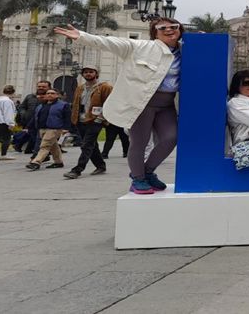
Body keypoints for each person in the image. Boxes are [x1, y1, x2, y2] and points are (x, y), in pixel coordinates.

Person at [55, 18, 183, 194]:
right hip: (141, 103)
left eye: (173, 27)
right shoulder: (140, 47)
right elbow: (109, 42)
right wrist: (81, 36)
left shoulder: (185, 50)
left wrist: (204, 41)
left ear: (180, 29)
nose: (169, 30)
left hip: (167, 104)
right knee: (140, 142)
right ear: (155, 32)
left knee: (171, 137)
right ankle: (138, 179)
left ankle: (147, 171)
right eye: (163, 28)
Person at [64, 66, 111, 179]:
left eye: (91, 72)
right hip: (81, 120)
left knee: (86, 145)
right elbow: (76, 103)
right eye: (85, 72)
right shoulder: (80, 88)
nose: (88, 74)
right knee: (91, 145)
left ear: (96, 74)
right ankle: (100, 165)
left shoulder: (104, 87)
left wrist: (101, 118)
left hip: (96, 120)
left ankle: (77, 170)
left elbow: (110, 103)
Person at [25, 89, 71, 170]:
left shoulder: (63, 105)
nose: (50, 95)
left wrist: (66, 128)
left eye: (52, 93)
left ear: (57, 95)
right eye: (48, 93)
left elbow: (67, 117)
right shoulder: (41, 105)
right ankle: (58, 162)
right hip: (42, 128)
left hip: (54, 128)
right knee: (53, 145)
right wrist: (28, 126)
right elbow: (35, 117)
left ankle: (36, 162)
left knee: (45, 145)